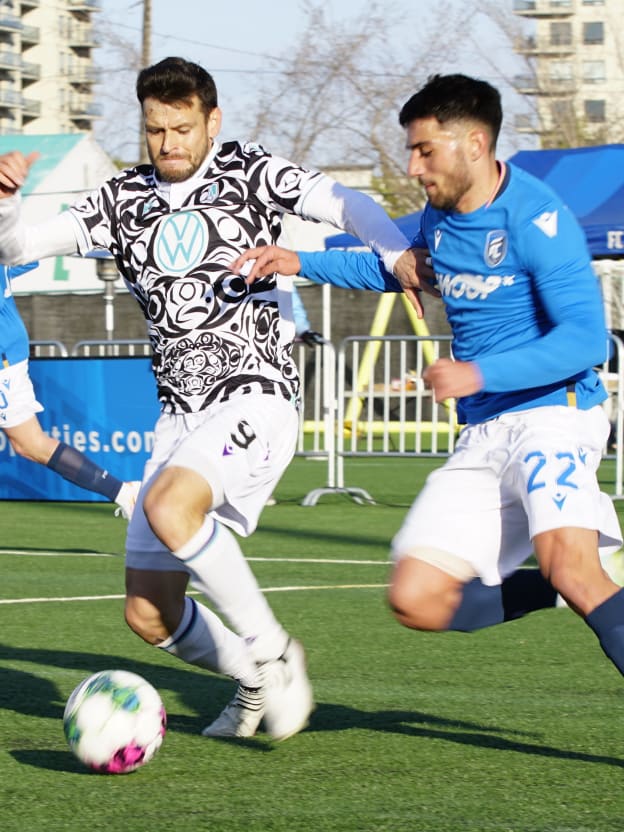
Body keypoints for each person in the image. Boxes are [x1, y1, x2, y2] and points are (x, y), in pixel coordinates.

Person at [0, 56, 424, 740]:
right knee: (149, 613)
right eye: (155, 129)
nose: (169, 142)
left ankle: (273, 650)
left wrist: (399, 252)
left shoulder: (253, 172)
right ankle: (253, 679)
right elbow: (14, 245)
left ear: (212, 121)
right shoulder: (120, 200)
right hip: (179, 417)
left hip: (256, 397)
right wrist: (6, 201)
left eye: (182, 127)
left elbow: (346, 203)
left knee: (170, 505)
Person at [232, 73, 624, 685]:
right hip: (483, 432)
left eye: (424, 151)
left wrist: (477, 371)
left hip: (556, 414)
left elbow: (584, 340)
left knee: (574, 568)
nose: (414, 167)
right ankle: (556, 588)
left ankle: (572, 581)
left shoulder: (538, 221)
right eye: (410, 151)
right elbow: (395, 268)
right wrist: (300, 261)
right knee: (417, 599)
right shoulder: (437, 221)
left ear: (474, 144)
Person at [1, 261, 139, 517]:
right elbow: (27, 256)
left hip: (3, 357)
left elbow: (25, 254)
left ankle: (124, 492)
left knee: (30, 444)